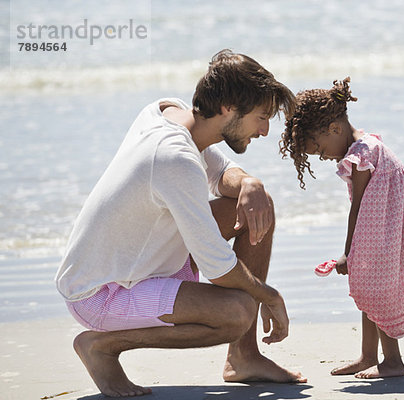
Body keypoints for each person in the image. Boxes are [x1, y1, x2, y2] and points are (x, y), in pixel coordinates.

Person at [55, 49, 306, 397]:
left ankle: (244, 357)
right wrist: (270, 296)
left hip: (140, 263)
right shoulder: (175, 159)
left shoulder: (170, 113)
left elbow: (220, 174)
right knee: (237, 312)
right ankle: (102, 346)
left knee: (256, 207)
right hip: (101, 291)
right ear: (228, 108)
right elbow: (217, 268)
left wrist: (251, 183)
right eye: (261, 117)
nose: (264, 130)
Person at [280, 77, 404, 379]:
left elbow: (359, 209)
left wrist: (348, 253)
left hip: (403, 220)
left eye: (320, 148)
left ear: (335, 129)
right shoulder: (363, 144)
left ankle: (392, 361)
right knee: (371, 279)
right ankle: (368, 356)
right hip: (400, 216)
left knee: (379, 285)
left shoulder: (362, 153)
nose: (324, 156)